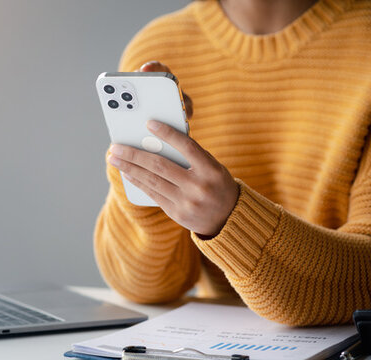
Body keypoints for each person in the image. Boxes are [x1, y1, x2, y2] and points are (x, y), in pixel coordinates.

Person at [94, 0, 371, 326]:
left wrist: (229, 218)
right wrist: (146, 181)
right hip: (211, 343)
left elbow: (363, 282)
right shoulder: (162, 43)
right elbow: (145, 286)